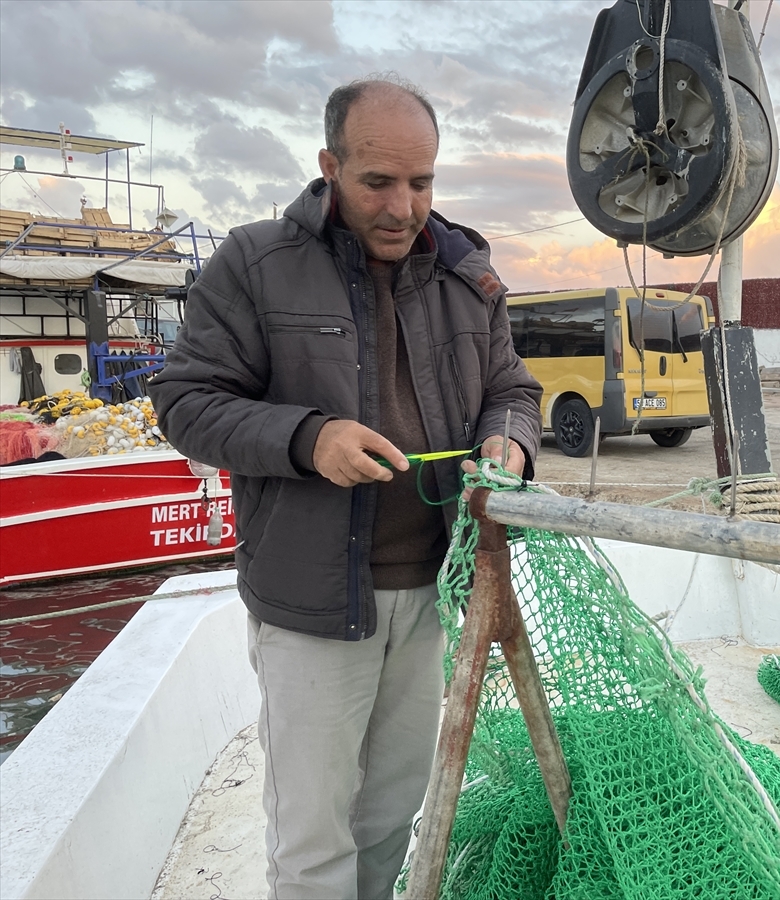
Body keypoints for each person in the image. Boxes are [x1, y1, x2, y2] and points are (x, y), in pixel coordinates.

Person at [149, 76, 543, 900]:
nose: (404, 207)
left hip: (433, 595)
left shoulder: (468, 272)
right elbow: (185, 403)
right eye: (378, 182)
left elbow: (513, 388)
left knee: (392, 816)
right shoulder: (255, 263)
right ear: (329, 166)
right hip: (313, 604)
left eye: (423, 182)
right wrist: (308, 438)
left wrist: (510, 442)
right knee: (313, 835)